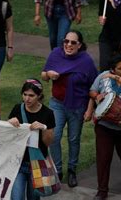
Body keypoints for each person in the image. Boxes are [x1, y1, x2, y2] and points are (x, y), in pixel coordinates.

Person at [41, 30, 97, 187]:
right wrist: (49, 74)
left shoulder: (86, 61)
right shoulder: (55, 54)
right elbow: (44, 75)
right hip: (57, 103)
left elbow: (94, 86)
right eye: (66, 41)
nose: (69, 45)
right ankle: (57, 171)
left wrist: (89, 109)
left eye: (73, 42)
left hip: (77, 106)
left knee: (74, 139)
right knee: (54, 136)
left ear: (79, 45)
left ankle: (72, 170)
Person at [85, 53, 121, 200]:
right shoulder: (103, 76)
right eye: (120, 68)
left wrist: (116, 77)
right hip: (105, 125)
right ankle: (102, 191)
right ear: (112, 69)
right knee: (103, 158)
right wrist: (97, 96)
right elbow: (92, 90)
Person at [7, 79, 55, 200]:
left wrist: (43, 128)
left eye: (31, 95)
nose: (27, 99)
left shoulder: (48, 113)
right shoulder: (17, 109)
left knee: (33, 198)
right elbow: (7, 136)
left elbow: (48, 142)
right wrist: (9, 123)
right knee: (16, 197)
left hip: (37, 164)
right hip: (18, 162)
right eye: (25, 95)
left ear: (39, 96)